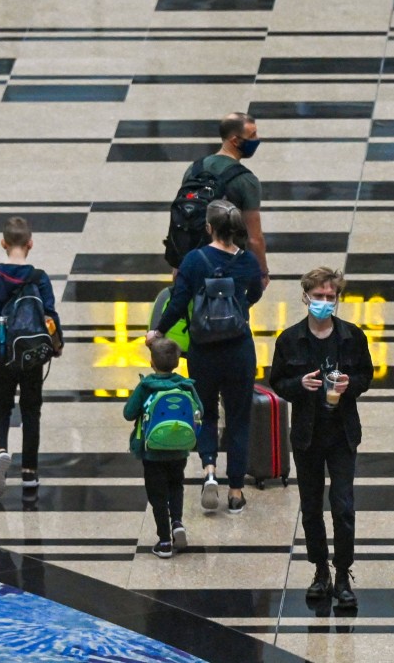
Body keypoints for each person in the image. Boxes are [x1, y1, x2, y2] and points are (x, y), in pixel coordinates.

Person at [147, 199, 264, 514]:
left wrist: (157, 331)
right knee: (239, 420)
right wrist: (239, 308)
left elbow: (177, 302)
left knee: (207, 413)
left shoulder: (193, 261)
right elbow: (256, 292)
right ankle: (236, 492)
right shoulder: (248, 262)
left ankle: (210, 470)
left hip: (203, 350)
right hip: (239, 349)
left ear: (209, 227)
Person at [269, 267, 373, 610]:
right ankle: (319, 570)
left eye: (331, 297)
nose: (325, 303)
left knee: (343, 506)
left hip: (342, 432)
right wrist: (299, 385)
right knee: (311, 507)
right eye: (319, 297)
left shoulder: (352, 336)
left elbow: (365, 375)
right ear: (306, 297)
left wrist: (349, 386)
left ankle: (343, 573)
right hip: (307, 434)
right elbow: (277, 382)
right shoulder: (289, 340)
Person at [0, 216, 63, 498]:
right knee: (31, 410)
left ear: (3, 243)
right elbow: (50, 315)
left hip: (1, 353)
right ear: (30, 244)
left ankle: (0, 450)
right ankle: (30, 473)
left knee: (1, 408)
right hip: (32, 353)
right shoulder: (39, 277)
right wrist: (57, 344)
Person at [123, 338, 202, 558]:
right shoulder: (186, 385)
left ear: (151, 362)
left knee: (157, 496)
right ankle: (177, 521)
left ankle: (165, 541)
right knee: (176, 485)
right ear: (177, 362)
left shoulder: (147, 385)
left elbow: (129, 413)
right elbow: (200, 411)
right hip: (180, 450)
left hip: (152, 451)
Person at [178, 111, 269, 289]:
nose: (257, 139)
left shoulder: (194, 169)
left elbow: (181, 217)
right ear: (235, 140)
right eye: (252, 135)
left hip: (194, 261)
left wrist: (177, 264)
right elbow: (254, 238)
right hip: (230, 267)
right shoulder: (246, 180)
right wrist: (262, 272)